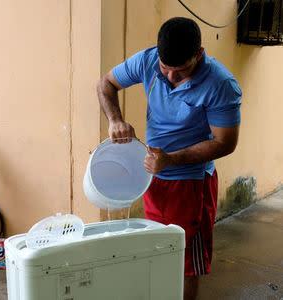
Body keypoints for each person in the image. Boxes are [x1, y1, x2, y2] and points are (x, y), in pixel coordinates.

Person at [97, 17, 241, 300]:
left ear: (198, 54)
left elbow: (225, 143)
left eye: (182, 70)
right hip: (152, 178)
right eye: (166, 68)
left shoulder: (221, 84)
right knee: (157, 253)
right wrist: (115, 120)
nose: (171, 77)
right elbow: (105, 84)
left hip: (191, 186)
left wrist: (171, 160)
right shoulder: (147, 61)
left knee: (186, 265)